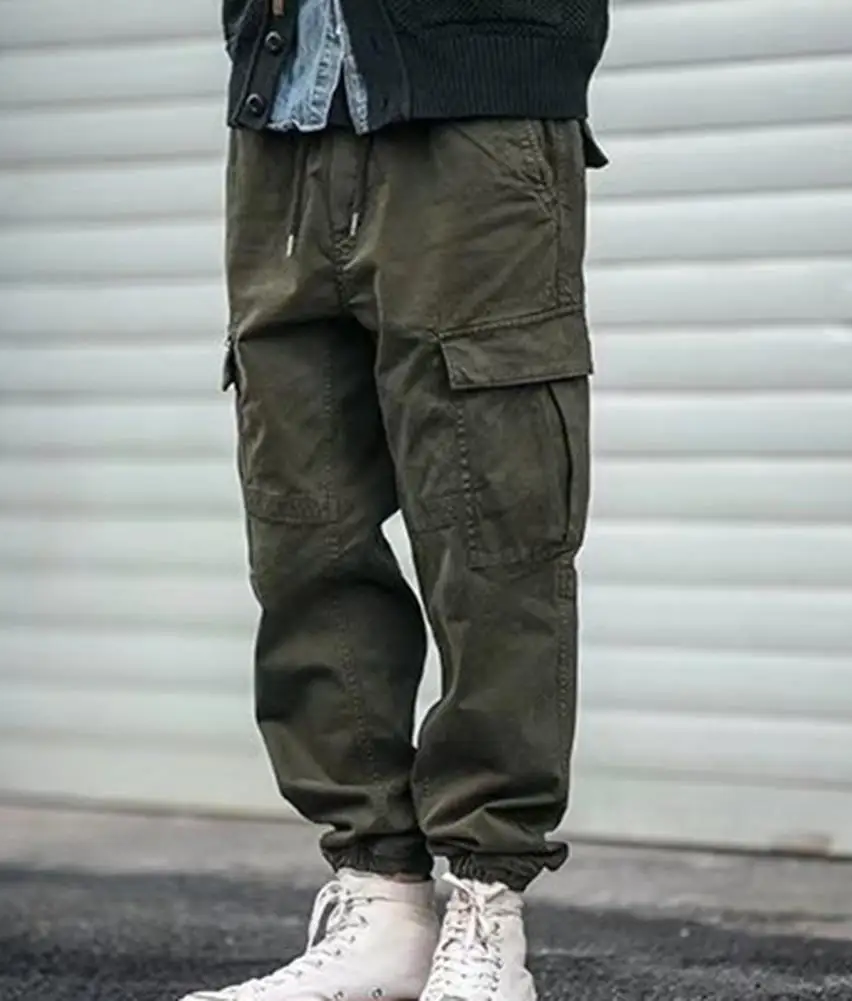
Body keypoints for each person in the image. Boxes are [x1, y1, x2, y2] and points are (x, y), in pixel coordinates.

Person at [183, 2, 609, 1000]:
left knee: (489, 517)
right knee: (303, 525)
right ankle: (380, 899)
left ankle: (486, 902)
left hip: (470, 113)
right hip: (283, 116)